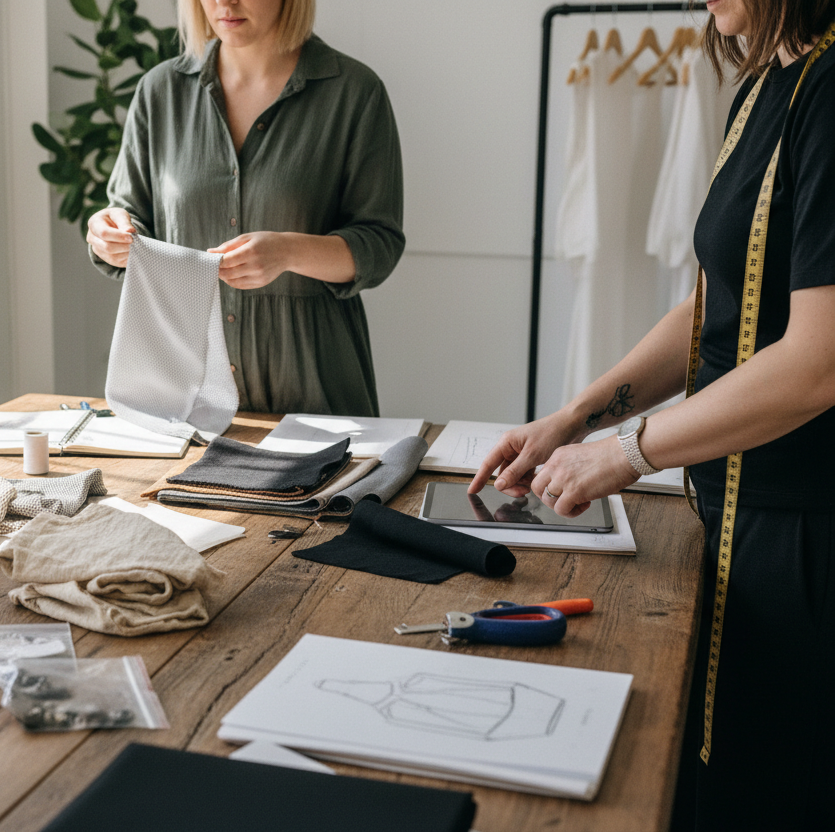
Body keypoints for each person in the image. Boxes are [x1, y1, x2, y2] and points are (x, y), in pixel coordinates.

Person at [468, 1, 835, 828]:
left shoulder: (831, 92)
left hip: (809, 544)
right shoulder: (763, 85)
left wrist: (630, 450)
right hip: (741, 527)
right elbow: (715, 304)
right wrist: (575, 417)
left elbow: (819, 362)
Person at [86, 0, 404, 417]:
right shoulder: (160, 91)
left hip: (314, 394)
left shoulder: (355, 92)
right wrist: (107, 232)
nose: (224, 2)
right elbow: (128, 213)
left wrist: (289, 251)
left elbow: (378, 246)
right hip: (183, 400)